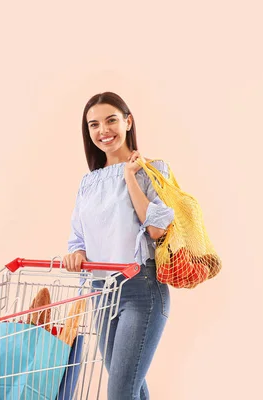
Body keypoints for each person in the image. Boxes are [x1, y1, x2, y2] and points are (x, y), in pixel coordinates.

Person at [62, 92, 175, 400]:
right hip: (102, 294)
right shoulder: (88, 183)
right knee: (130, 388)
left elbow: (155, 229)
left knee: (121, 391)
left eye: (111, 120)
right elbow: (78, 238)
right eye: (93, 124)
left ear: (128, 121)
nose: (103, 130)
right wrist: (77, 254)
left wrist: (130, 177)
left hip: (142, 290)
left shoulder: (153, 170)